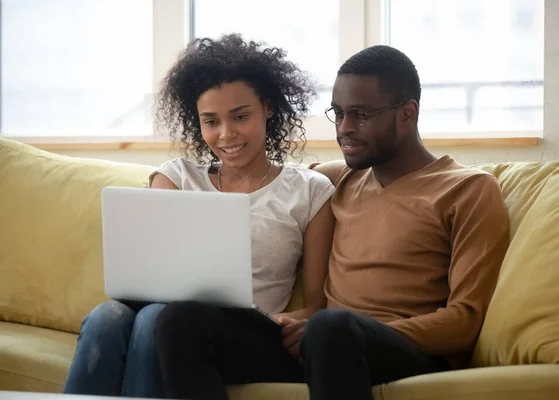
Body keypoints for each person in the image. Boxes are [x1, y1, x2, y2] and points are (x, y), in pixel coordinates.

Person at [156, 44, 511, 400]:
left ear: (407, 113)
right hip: (319, 344)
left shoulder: (468, 189)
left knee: (332, 325)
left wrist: (350, 328)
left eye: (360, 115)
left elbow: (464, 320)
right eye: (338, 114)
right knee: (183, 319)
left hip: (405, 350)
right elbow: (276, 183)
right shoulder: (338, 180)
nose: (344, 129)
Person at [63, 33, 335, 399]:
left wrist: (282, 322)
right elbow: (149, 273)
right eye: (211, 121)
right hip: (166, 316)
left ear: (268, 107)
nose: (226, 134)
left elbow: (316, 304)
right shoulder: (175, 178)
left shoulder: (310, 190)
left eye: (240, 116)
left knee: (155, 322)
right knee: (105, 317)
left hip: (247, 331)